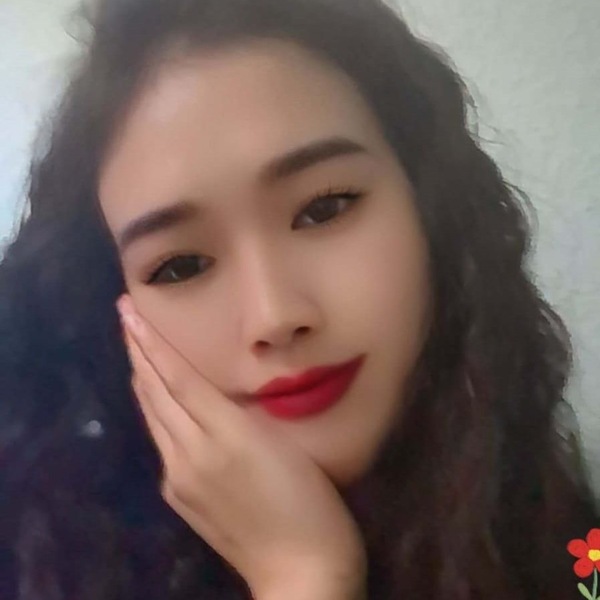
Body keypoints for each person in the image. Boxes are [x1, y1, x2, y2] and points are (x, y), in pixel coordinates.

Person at [0, 0, 597, 598]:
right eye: (181, 266)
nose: (276, 316)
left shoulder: (578, 557)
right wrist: (302, 574)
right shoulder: (46, 566)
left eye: (324, 208)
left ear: (431, 212)